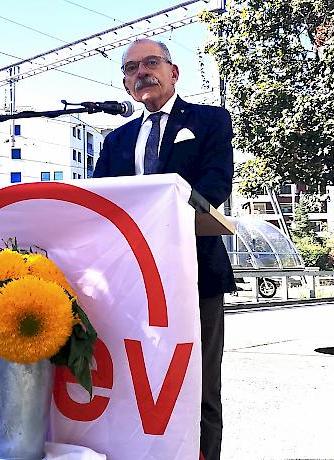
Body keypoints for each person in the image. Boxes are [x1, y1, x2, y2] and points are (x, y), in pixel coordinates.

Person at [93, 38, 235, 460]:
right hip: (129, 282)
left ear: (174, 72)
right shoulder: (115, 141)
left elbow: (215, 185)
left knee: (199, 387)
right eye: (131, 67)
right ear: (125, 84)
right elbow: (101, 203)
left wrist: (162, 209)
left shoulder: (209, 120)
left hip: (195, 276)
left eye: (151, 62)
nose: (142, 73)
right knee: (132, 385)